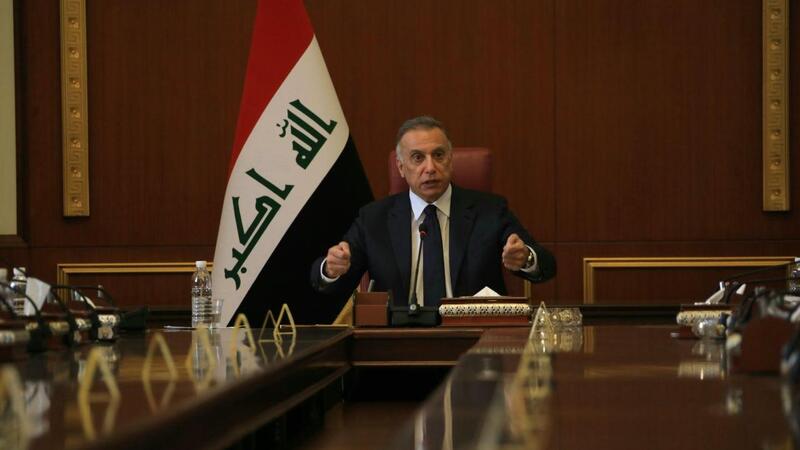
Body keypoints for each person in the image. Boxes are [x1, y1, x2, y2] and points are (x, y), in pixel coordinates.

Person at [310, 116, 555, 307]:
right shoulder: (374, 219)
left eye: (438, 155)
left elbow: (546, 266)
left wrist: (526, 258)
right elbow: (330, 283)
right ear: (401, 167)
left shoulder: (489, 211)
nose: (430, 167)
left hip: (475, 339)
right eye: (418, 158)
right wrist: (331, 269)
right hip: (397, 344)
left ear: (451, 159)